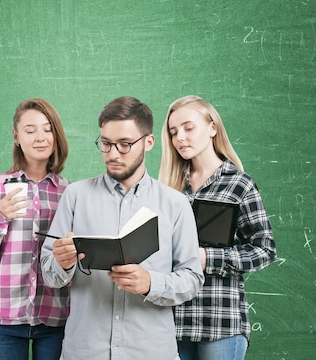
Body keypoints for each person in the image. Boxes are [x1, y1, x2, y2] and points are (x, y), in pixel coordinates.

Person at [40, 96, 204, 360]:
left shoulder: (175, 204)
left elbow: (192, 279)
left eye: (125, 145)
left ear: (148, 142)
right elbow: (50, 274)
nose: (113, 154)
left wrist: (151, 283)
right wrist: (62, 262)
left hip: (151, 352)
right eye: (105, 144)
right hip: (85, 351)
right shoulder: (75, 196)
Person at [158, 95, 277, 360]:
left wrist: (206, 258)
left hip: (220, 320)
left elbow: (265, 250)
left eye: (189, 128)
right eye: (174, 132)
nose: (180, 138)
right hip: (173, 323)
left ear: (212, 128)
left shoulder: (239, 185)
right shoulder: (169, 190)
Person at [0, 99, 71, 360]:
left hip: (54, 319)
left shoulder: (69, 192)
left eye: (47, 129)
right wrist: (0, 215)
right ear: (17, 137)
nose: (40, 137)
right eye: (30, 130)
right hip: (3, 320)